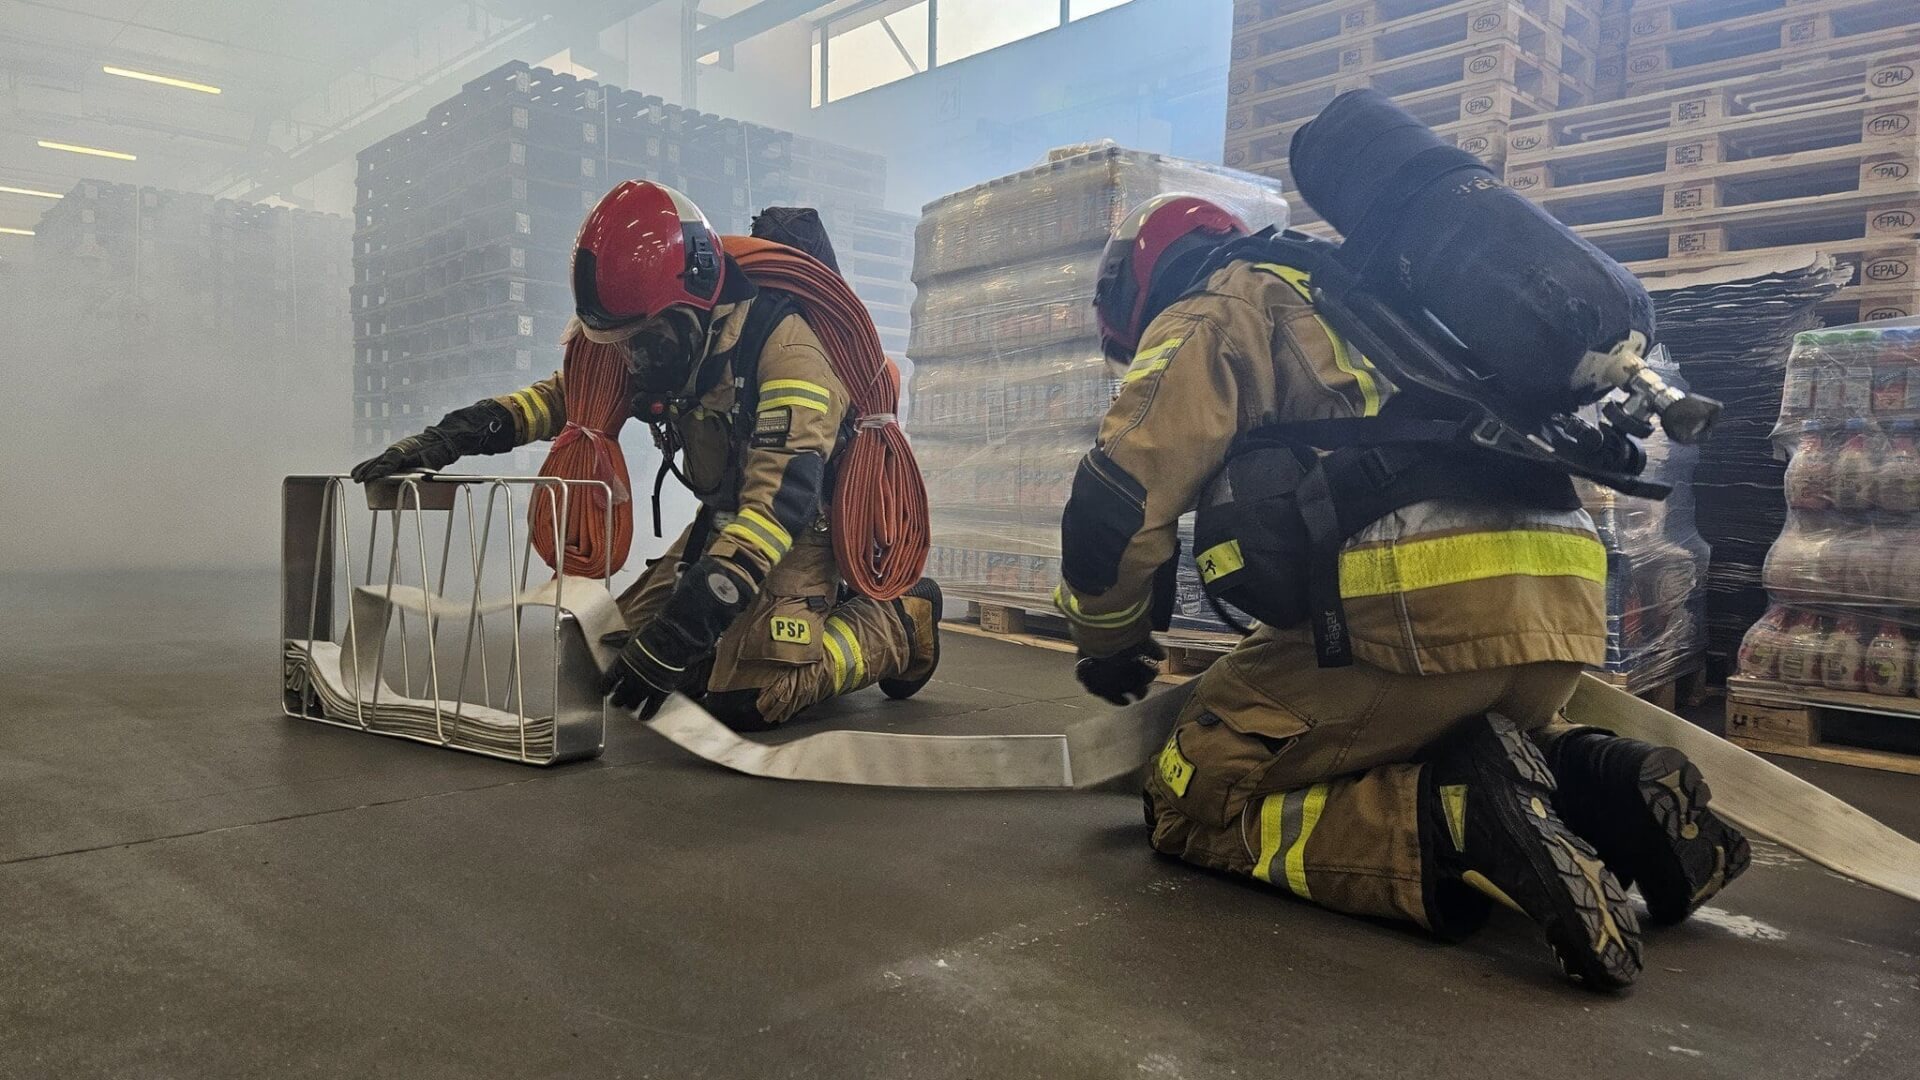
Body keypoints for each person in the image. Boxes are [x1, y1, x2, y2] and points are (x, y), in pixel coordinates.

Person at [1056, 193, 1749, 990]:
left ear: (1140, 282)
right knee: (1427, 728)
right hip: (1558, 616)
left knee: (1193, 787)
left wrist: (1108, 639)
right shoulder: (1376, 292)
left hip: (1416, 628)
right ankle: (1606, 782)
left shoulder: (1217, 307)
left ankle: (1449, 820)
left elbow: (1114, 507)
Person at [353, 182, 940, 729]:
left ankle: (898, 625)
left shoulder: (789, 352)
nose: (630, 362)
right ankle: (725, 634)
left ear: (696, 305)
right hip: (727, 522)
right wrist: (447, 438)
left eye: (641, 343)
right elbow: (562, 400)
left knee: (744, 699)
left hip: (808, 528)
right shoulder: (663, 337)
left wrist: (687, 628)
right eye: (619, 345)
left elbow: (778, 505)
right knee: (611, 656)